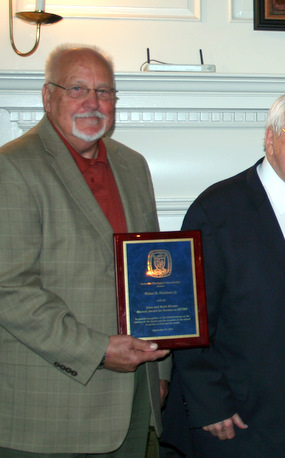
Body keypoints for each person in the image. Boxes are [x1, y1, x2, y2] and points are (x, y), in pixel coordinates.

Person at [160, 91, 285, 457]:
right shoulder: (218, 210)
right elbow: (189, 316)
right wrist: (210, 402)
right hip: (241, 411)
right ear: (270, 138)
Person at [0, 45, 170, 455]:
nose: (92, 103)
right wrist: (97, 351)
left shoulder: (133, 165)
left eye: (104, 92)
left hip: (133, 400)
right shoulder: (13, 166)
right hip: (49, 410)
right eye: (77, 88)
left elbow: (155, 272)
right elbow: (9, 288)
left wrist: (161, 367)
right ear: (48, 96)